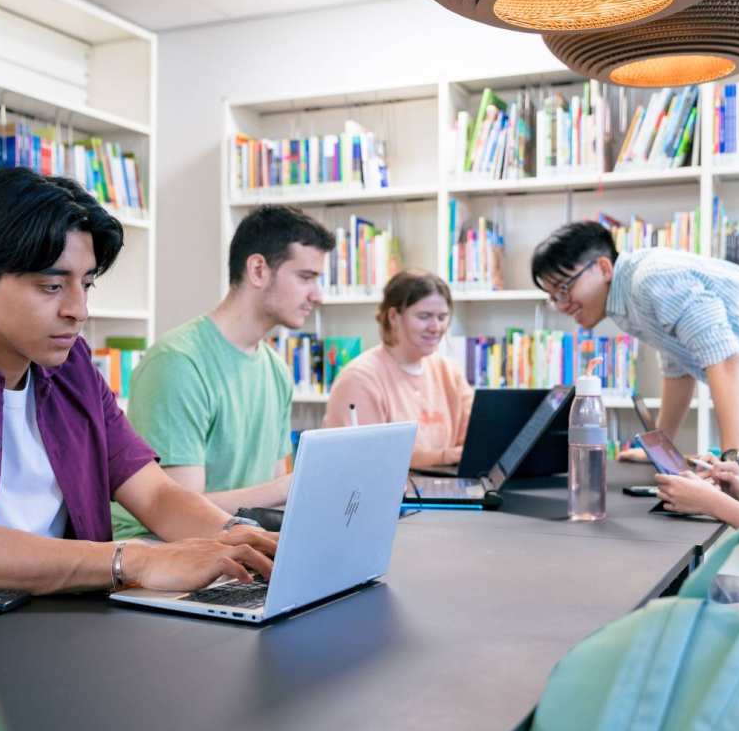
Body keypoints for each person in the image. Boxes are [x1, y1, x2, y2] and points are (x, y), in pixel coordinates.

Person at [0, 167, 275, 594]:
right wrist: (133, 560)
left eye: (87, 283)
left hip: (55, 624)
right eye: (52, 286)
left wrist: (240, 538)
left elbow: (154, 493)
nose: (78, 310)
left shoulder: (72, 364)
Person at [531, 220, 739, 574]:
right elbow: (678, 368)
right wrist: (660, 444)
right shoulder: (629, 299)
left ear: (603, 267)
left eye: (564, 288)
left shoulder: (652, 279)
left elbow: (727, 361)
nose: (562, 304)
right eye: (552, 296)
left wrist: (734, 464)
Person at [112, 204, 335, 539]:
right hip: (160, 552)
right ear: (258, 270)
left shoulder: (276, 370)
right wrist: (293, 485)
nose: (317, 296)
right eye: (306, 278)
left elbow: (272, 497)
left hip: (237, 545)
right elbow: (177, 514)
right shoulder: (178, 363)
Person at [323, 269, 473, 469]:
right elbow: (370, 460)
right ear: (393, 316)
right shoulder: (360, 378)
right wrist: (443, 457)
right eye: (424, 316)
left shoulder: (450, 373)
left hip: (444, 490)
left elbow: (473, 444)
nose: (435, 327)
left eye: (442, 317)